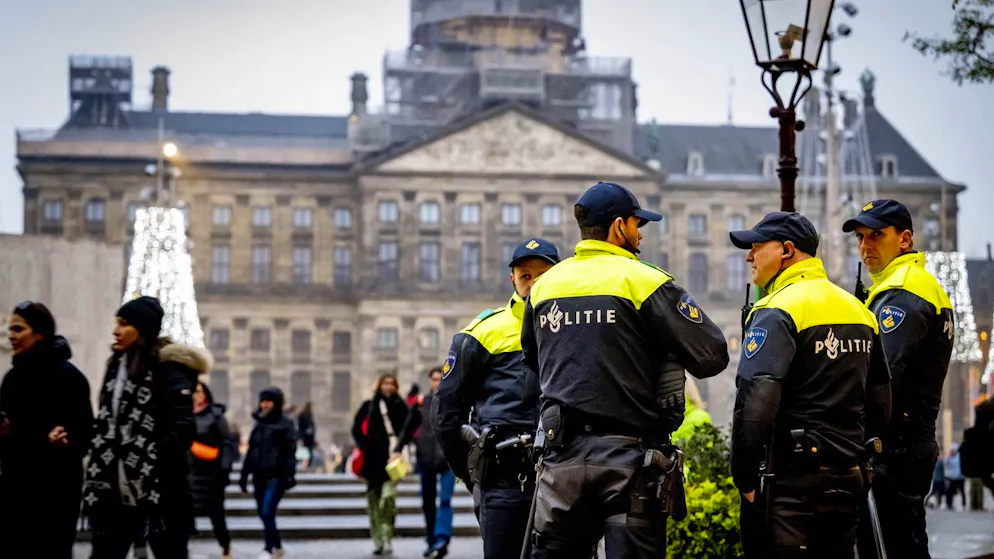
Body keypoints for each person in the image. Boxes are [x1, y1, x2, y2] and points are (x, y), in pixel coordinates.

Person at [521, 182, 729, 559]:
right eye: (637, 224)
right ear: (619, 227)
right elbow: (711, 355)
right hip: (628, 463)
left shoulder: (544, 287)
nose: (640, 233)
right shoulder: (645, 280)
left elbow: (534, 361)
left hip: (561, 464)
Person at [729, 212, 891, 559]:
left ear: (787, 250)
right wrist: (863, 462)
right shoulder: (859, 311)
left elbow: (757, 402)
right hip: (848, 477)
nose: (749, 256)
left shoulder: (777, 309)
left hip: (790, 482)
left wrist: (744, 478)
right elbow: (880, 400)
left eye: (757, 247)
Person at [432, 237, 561, 559]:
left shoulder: (574, 330)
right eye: (525, 276)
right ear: (512, 279)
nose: (532, 284)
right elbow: (446, 414)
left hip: (564, 475)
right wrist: (471, 471)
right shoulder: (483, 332)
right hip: (506, 478)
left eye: (542, 276)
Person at [843, 200, 954, 558]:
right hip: (905, 441)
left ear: (905, 239)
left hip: (895, 445)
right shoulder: (900, 286)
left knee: (895, 546)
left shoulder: (904, 291)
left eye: (876, 235)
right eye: (860, 237)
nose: (865, 245)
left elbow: (880, 373)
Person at [83, 296, 211, 559]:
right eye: (117, 322)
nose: (115, 330)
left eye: (125, 324)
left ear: (143, 329)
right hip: (112, 488)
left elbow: (182, 432)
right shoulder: (115, 367)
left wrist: (143, 456)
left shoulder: (170, 371)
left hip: (161, 490)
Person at [0, 302, 93, 558]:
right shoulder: (12, 379)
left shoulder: (69, 378)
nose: (12, 336)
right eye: (11, 329)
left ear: (40, 332)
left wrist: (64, 441)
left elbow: (84, 434)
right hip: (15, 490)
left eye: (19, 329)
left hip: (54, 494)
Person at [398, 367, 455, 558]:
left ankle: (441, 539)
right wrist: (397, 449)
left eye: (441, 379)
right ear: (431, 381)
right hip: (425, 459)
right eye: (435, 379)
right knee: (428, 502)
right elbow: (408, 427)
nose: (438, 383)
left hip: (448, 460)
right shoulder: (421, 403)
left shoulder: (454, 401)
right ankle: (431, 540)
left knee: (445, 500)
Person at [352, 373, 409, 555]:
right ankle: (377, 539)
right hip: (371, 457)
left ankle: (387, 534)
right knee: (373, 503)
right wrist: (363, 444)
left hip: (391, 457)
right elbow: (355, 427)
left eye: (392, 383)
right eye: (385, 383)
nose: (388, 387)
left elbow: (407, 429)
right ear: (379, 385)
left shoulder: (400, 406)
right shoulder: (369, 405)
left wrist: (400, 447)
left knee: (388, 498)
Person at [239, 387, 297, 559]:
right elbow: (251, 452)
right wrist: (244, 475)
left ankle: (268, 548)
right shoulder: (259, 423)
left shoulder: (285, 425)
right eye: (262, 401)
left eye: (268, 401)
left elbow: (289, 453)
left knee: (267, 512)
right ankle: (278, 546)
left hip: (276, 476)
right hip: (259, 475)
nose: (264, 405)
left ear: (276, 403)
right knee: (263, 513)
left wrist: (289, 475)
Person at [189, 381, 237, 559]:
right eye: (193, 391)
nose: (196, 395)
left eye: (199, 392)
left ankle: (225, 545)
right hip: (189, 473)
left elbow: (226, 443)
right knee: (185, 513)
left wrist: (224, 469)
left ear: (206, 395)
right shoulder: (183, 414)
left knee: (216, 515)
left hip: (211, 474)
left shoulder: (215, 416)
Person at [944, 443, 966, 510]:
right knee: (949, 491)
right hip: (953, 478)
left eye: (953, 450)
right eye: (951, 450)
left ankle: (963, 504)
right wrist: (948, 457)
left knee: (962, 491)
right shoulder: (950, 457)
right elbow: (946, 464)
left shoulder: (960, 457)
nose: (952, 451)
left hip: (960, 478)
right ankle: (949, 504)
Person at [297, 402, 316, 467]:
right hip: (306, 438)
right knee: (305, 453)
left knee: (308, 453)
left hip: (308, 438)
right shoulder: (303, 416)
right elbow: (301, 427)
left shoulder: (308, 416)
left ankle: (307, 464)